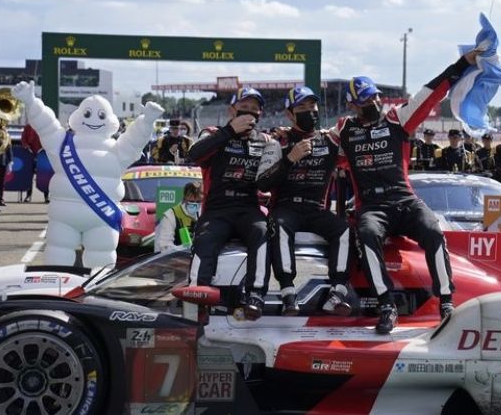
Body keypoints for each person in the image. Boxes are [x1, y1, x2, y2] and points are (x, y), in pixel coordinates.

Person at [329, 50, 481, 334]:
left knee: (433, 230)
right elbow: (316, 148)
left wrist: (463, 63)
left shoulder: (397, 119)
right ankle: (386, 305)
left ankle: (446, 300)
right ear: (352, 105)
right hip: (372, 206)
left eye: (375, 96)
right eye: (366, 100)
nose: (373, 102)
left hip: (405, 199)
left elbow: (431, 93)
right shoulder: (344, 130)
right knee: (367, 234)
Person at [256, 86, 351, 316]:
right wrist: (290, 158)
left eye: (312, 106)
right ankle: (288, 292)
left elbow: (354, 160)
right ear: (290, 114)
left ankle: (337, 292)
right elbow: (263, 183)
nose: (309, 111)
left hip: (316, 209)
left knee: (344, 230)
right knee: (278, 224)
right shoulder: (279, 140)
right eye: (302, 107)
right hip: (287, 207)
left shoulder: (330, 140)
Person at [187, 87, 271, 321]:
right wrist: (229, 131)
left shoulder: (266, 141)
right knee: (205, 239)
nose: (249, 113)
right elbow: (193, 155)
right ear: (231, 110)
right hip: (217, 209)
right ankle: (199, 297)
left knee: (263, 231)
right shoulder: (212, 133)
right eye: (244, 108)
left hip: (248, 208)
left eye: (255, 110)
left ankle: (255, 296)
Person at [154, 182, 203, 253]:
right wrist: (182, 248)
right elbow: (164, 247)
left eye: (198, 201)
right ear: (185, 198)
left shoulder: (204, 213)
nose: (195, 204)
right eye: (191, 201)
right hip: (176, 259)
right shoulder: (171, 215)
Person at [22, 123, 49, 203]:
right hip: (30, 155)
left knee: (45, 176)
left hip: (42, 155)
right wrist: (26, 146)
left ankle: (46, 196)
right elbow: (23, 139)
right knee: (29, 176)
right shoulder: (28, 127)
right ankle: (28, 195)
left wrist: (45, 147)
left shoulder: (45, 126)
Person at [0, 115, 12, 207]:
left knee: (1, 182)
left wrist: (10, 161)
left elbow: (9, 148)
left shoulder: (5, 133)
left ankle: (0, 199)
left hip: (2, 160)